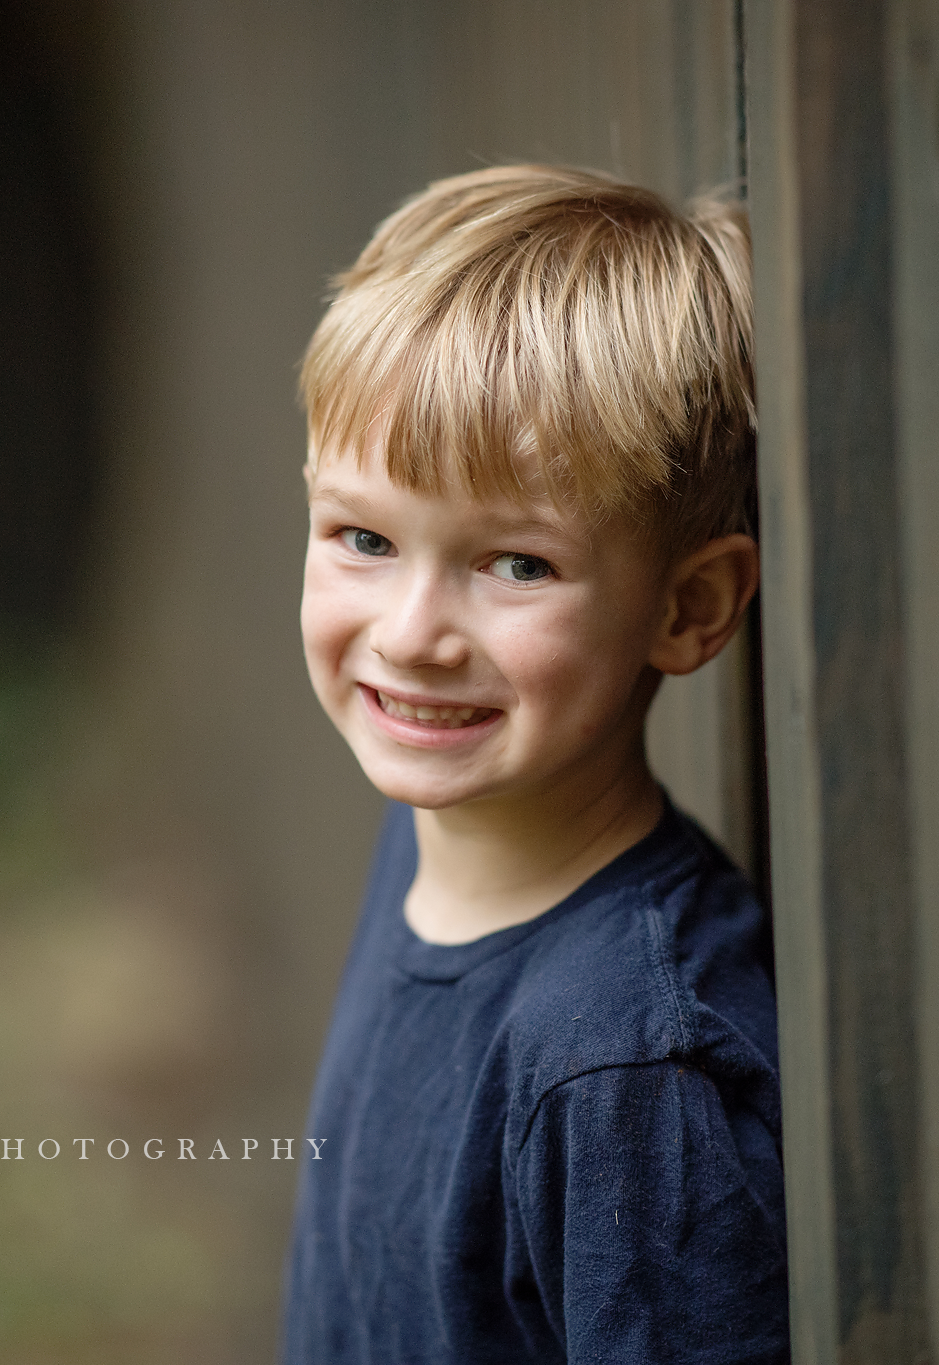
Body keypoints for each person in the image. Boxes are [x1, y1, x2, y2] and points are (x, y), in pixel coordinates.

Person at [284, 164, 788, 1364]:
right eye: (362, 538)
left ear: (687, 605)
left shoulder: (623, 1067)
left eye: (515, 564)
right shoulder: (427, 828)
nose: (411, 634)